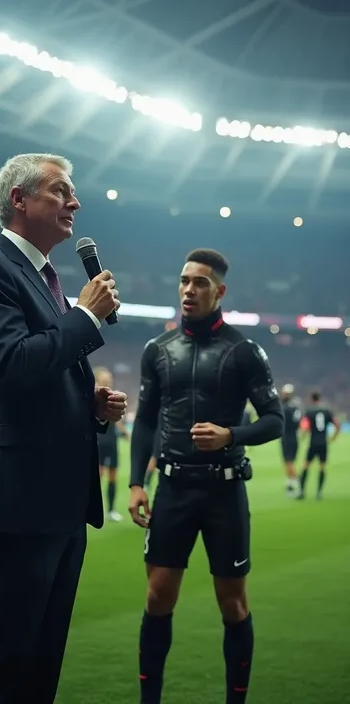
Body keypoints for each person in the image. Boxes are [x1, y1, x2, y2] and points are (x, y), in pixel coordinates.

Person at [0, 152, 127, 704]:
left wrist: (88, 405)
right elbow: (13, 364)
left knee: (39, 665)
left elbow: (41, 373)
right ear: (19, 199)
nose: (75, 202)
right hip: (18, 500)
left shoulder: (46, 280)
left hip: (60, 503)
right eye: (60, 191)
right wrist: (86, 317)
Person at [128, 248, 284, 704]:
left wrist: (230, 434)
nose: (188, 290)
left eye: (199, 283)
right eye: (183, 281)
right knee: (157, 597)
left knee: (233, 604)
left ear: (219, 290)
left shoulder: (243, 351)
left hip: (224, 492)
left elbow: (274, 420)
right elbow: (145, 422)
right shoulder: (157, 351)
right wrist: (138, 482)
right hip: (172, 489)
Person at [94, 366, 130, 521]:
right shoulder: (94, 399)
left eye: (109, 379)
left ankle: (111, 510)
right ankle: (93, 509)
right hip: (99, 441)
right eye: (104, 379)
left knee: (113, 475)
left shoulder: (113, 397)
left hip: (112, 441)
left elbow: (117, 420)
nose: (108, 382)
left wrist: (124, 432)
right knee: (98, 476)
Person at [297, 391, 340, 500]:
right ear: (320, 398)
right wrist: (333, 437)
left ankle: (302, 492)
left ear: (312, 399)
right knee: (322, 467)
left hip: (313, 442)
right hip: (323, 443)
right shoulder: (326, 410)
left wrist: (302, 437)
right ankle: (319, 493)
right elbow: (337, 424)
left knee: (306, 466)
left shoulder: (309, 411)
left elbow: (305, 426)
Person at [280, 383, 301, 495]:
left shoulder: (286, 408)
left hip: (287, 436)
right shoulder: (296, 406)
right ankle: (290, 483)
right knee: (289, 461)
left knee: (289, 461)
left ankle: (295, 484)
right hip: (294, 436)